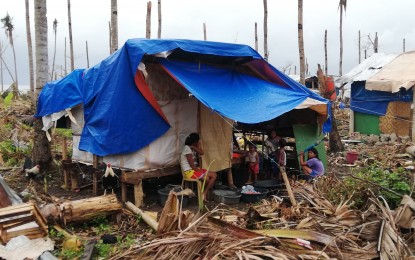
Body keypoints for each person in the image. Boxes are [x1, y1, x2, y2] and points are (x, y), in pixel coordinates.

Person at [180, 133, 217, 202]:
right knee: (207, 178)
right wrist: (201, 172)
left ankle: (204, 193)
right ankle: (204, 194)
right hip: (189, 172)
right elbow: (192, 166)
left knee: (214, 175)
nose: (199, 142)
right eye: (198, 141)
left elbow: (202, 152)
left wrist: (195, 147)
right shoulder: (187, 149)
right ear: (195, 142)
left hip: (194, 170)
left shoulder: (192, 148)